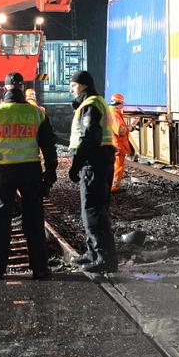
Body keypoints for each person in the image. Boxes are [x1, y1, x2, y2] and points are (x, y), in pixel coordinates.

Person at [0, 72, 57, 280]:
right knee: (34, 223)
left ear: (4, 89)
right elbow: (49, 147)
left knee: (1, 222)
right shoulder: (37, 114)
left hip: (3, 174)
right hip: (31, 172)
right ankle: (40, 269)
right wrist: (50, 174)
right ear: (22, 89)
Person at [68, 70, 118, 273]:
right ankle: (93, 253)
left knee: (93, 211)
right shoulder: (98, 102)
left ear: (81, 85)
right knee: (95, 209)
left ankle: (104, 258)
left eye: (72, 85)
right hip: (101, 160)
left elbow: (89, 138)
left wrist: (76, 164)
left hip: (93, 163)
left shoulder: (89, 106)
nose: (71, 89)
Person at [108, 93, 133, 193]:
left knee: (112, 166)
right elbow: (120, 131)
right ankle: (114, 188)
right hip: (117, 145)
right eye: (122, 104)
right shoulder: (114, 114)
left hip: (112, 144)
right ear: (118, 103)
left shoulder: (110, 112)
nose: (123, 106)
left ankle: (110, 186)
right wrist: (130, 127)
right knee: (118, 166)